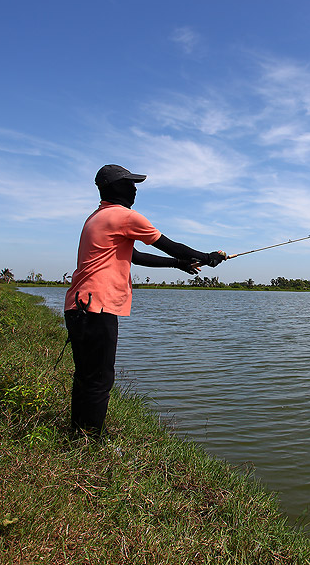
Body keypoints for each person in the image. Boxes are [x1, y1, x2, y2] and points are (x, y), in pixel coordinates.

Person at [64, 164, 226, 439]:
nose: (135, 188)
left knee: (87, 378)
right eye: (129, 183)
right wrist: (208, 257)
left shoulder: (98, 217)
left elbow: (135, 256)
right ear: (114, 187)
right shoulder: (124, 216)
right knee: (100, 380)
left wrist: (178, 265)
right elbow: (170, 245)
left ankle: (79, 436)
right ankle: (91, 442)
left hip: (79, 306)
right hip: (96, 306)